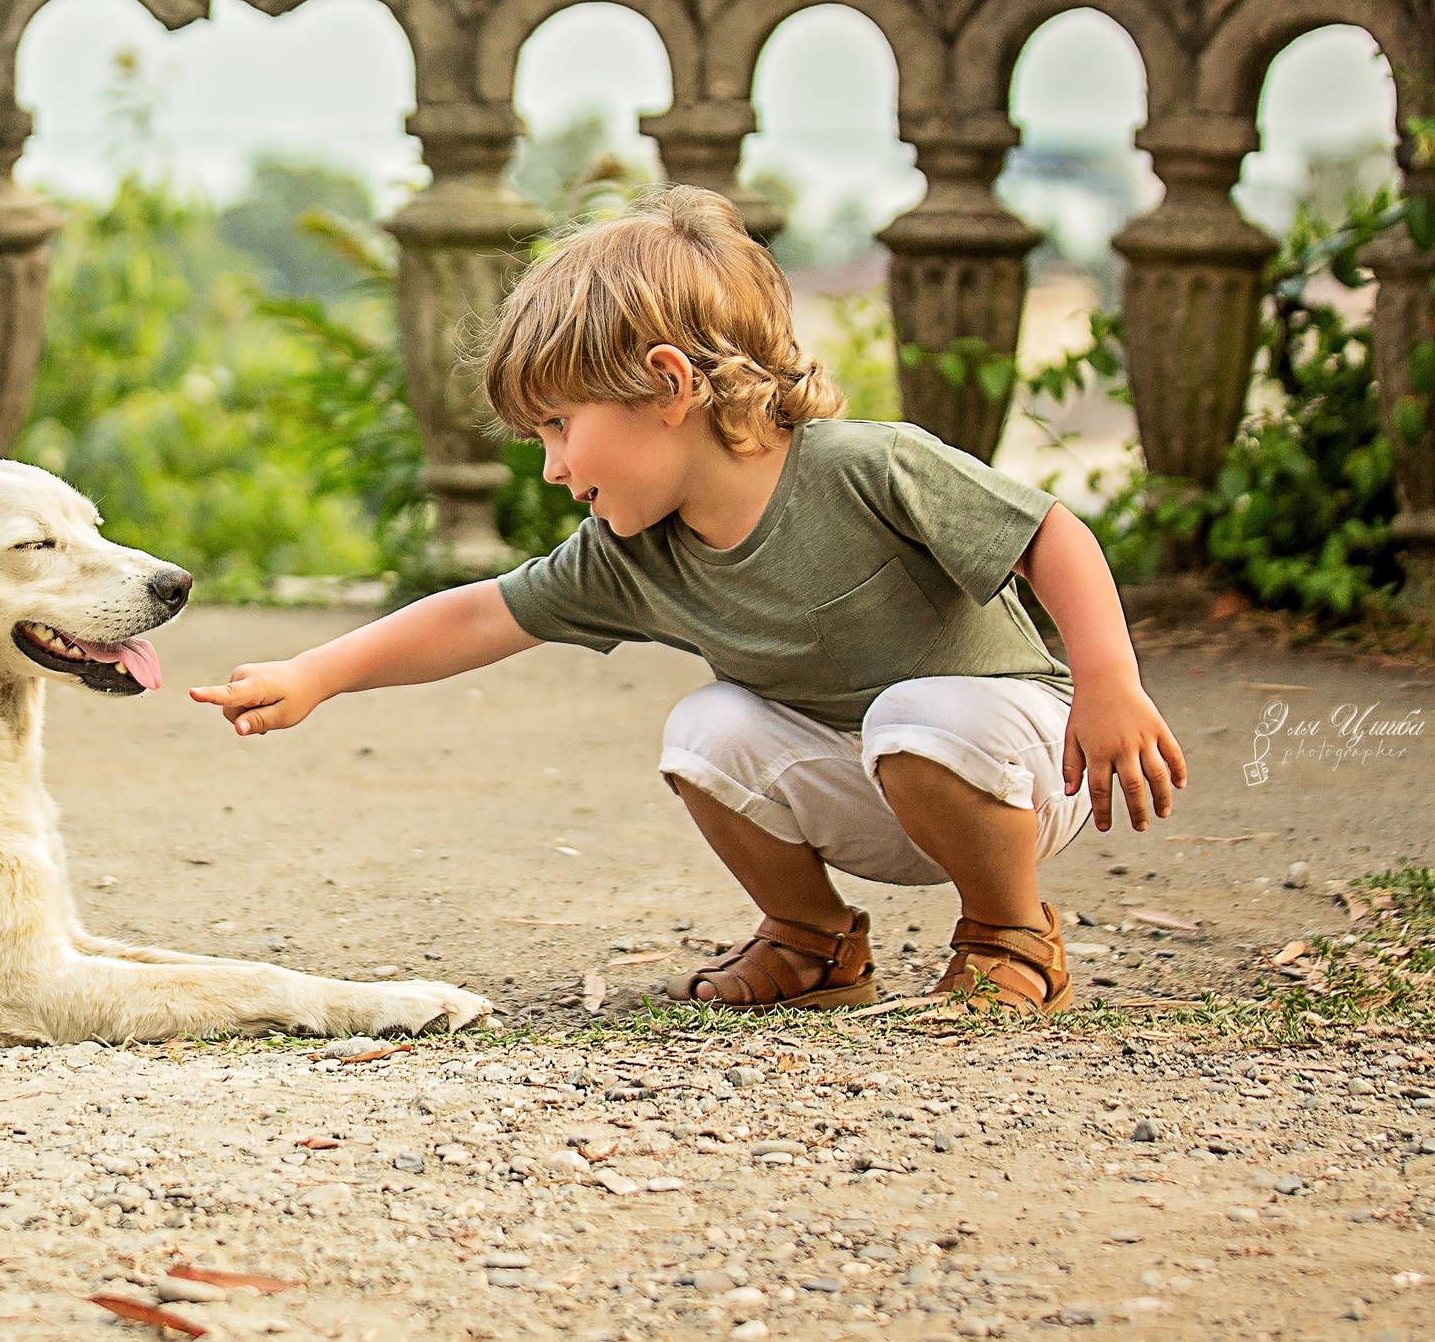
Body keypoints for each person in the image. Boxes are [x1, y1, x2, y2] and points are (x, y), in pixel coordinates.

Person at [189, 185, 1187, 1015]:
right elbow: (483, 613)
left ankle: (1011, 934)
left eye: (559, 424)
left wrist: (1107, 683)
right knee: (705, 731)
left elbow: (1050, 533)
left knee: (915, 716)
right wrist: (317, 673)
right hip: (871, 780)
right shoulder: (634, 551)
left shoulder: (865, 467)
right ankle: (812, 941)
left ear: (667, 386)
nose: (551, 466)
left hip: (1022, 763)